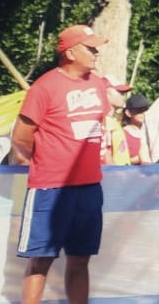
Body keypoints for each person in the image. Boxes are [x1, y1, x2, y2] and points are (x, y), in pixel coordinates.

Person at [10, 25, 113, 304]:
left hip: (89, 187)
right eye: (89, 47)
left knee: (80, 260)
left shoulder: (97, 84)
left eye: (96, 47)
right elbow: (21, 138)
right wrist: (50, 160)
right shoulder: (44, 87)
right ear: (70, 53)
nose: (95, 53)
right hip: (50, 189)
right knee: (40, 261)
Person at [113, 92, 150, 165]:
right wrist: (140, 158)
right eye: (140, 110)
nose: (144, 113)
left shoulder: (151, 130)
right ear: (128, 113)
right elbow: (118, 161)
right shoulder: (122, 134)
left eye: (146, 109)